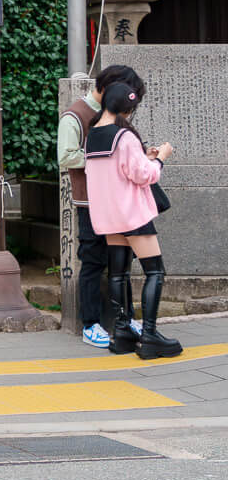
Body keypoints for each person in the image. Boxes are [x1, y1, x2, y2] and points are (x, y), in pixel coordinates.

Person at [84, 80, 180, 359]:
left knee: (118, 273)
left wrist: (143, 157)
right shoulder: (123, 136)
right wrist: (160, 158)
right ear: (126, 107)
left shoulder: (94, 135)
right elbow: (144, 176)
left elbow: (110, 171)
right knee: (155, 271)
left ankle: (123, 332)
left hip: (108, 216)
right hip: (133, 214)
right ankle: (149, 335)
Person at [60, 64, 147, 348]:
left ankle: (125, 319)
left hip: (120, 201)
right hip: (90, 203)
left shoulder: (116, 113)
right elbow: (66, 157)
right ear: (108, 86)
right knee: (93, 261)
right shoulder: (75, 115)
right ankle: (90, 324)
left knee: (121, 261)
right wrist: (105, 158)